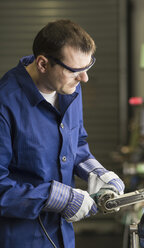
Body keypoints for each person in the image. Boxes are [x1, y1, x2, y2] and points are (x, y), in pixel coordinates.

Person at [0, 19, 125, 248]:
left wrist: (97, 173)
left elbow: (75, 144)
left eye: (88, 67)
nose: (84, 78)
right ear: (43, 64)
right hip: (21, 239)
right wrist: (59, 197)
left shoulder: (69, 89)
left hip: (62, 235)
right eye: (75, 70)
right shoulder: (5, 104)